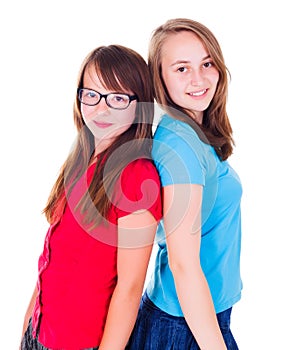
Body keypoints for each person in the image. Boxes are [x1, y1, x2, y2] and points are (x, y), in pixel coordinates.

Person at [20, 44, 162, 350]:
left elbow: (129, 288)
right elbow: (52, 258)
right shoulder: (82, 156)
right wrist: (27, 327)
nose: (101, 108)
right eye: (92, 94)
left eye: (117, 98)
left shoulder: (137, 177)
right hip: (39, 333)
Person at [126, 18, 243, 349]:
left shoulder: (192, 134)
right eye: (181, 69)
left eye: (207, 63)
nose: (199, 78)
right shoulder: (180, 144)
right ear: (159, 78)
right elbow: (183, 264)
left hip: (195, 317)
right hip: (184, 325)